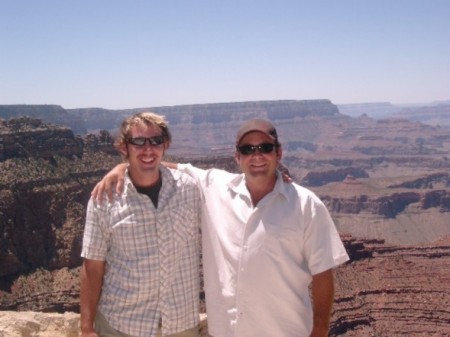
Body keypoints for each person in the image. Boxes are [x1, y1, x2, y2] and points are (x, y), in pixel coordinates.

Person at [94, 118, 350, 337]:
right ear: (237, 156)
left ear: (278, 153)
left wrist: (319, 332)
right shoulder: (214, 186)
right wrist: (124, 166)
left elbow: (323, 275)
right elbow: (166, 166)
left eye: (265, 148)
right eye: (248, 149)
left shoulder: (307, 205)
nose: (257, 155)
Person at [80, 112, 201, 337]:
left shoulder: (190, 189)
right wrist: (86, 327)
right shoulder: (104, 199)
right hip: (122, 325)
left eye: (155, 141)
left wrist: (275, 174)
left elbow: (234, 188)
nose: (148, 149)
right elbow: (92, 266)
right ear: (124, 148)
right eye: (138, 142)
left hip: (181, 324)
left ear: (165, 145)